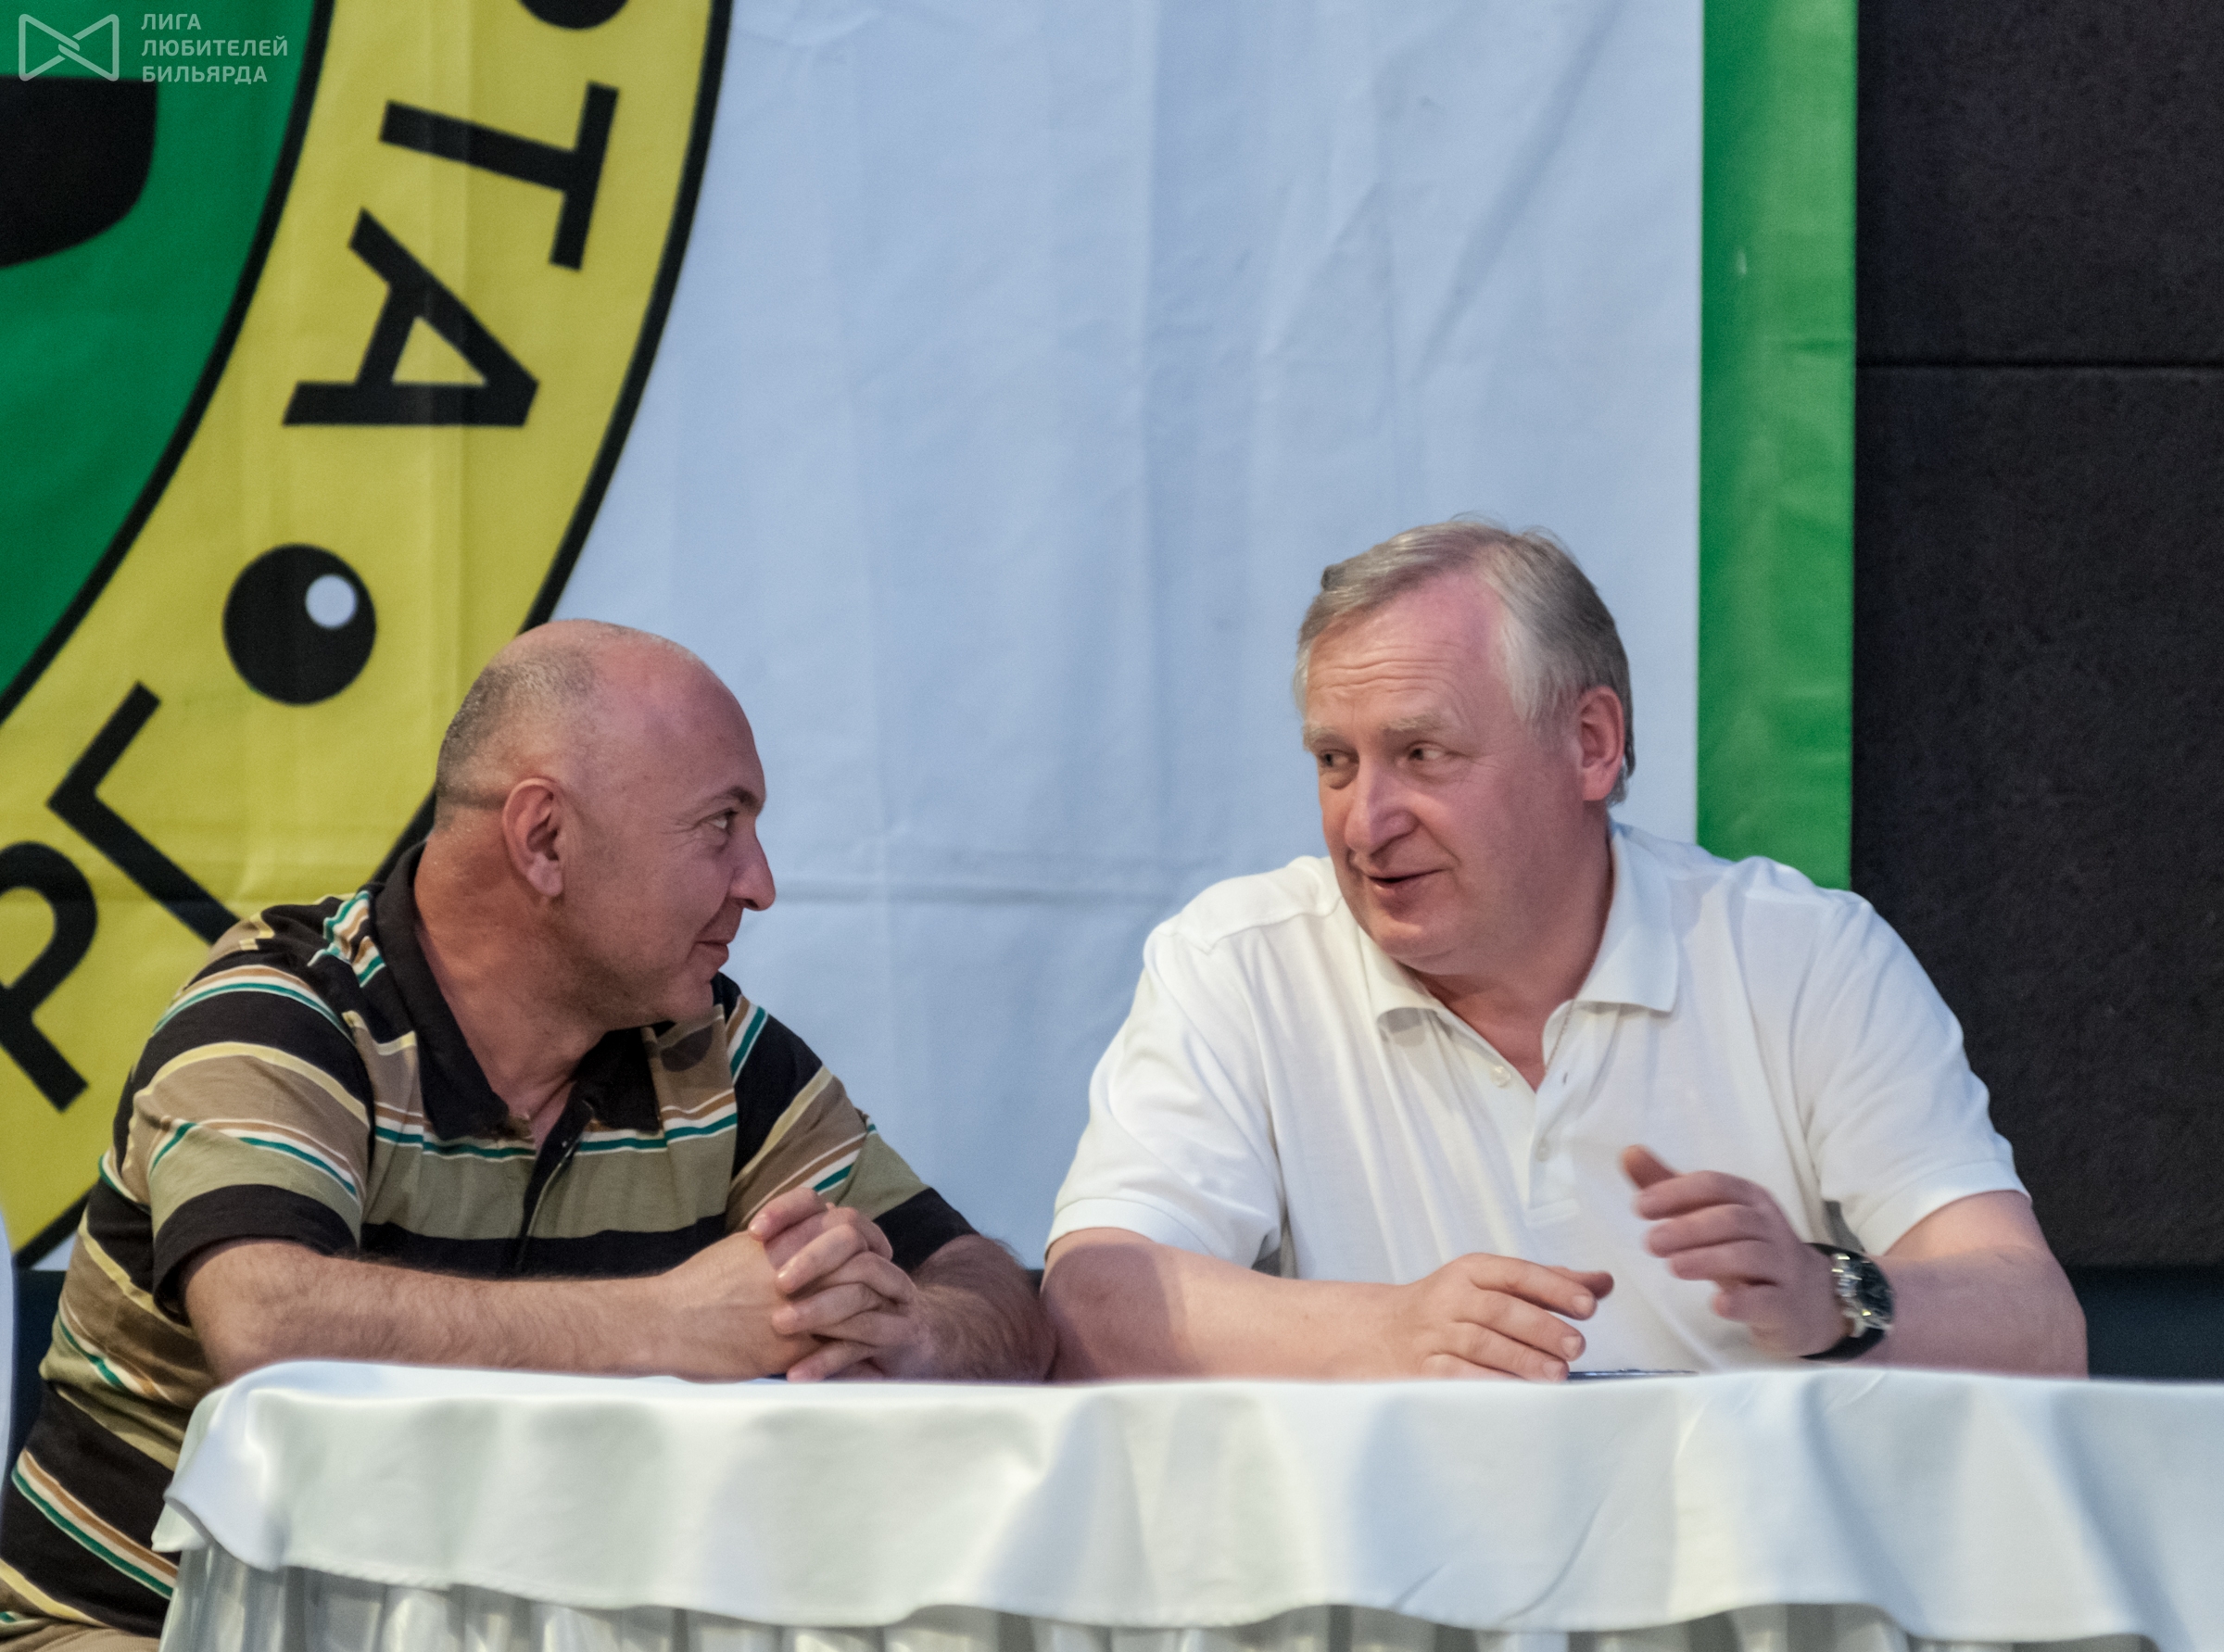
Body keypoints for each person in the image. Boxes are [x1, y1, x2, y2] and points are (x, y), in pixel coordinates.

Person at [0, 622, 1051, 1647]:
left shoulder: (711, 1052)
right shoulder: (285, 1011)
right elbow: (269, 1323)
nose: (760, 883)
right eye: (720, 825)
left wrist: (914, 1330)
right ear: (546, 839)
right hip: (136, 1629)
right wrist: (677, 1323)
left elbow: (990, 1290)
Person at [1043, 520, 2084, 1382]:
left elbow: (2039, 1329)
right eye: (1335, 760)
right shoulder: (1240, 961)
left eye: (1422, 753)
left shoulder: (1804, 957)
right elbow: (1095, 1303)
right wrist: (1389, 1330)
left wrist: (1832, 1298)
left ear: (1591, 743)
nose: (1366, 822)